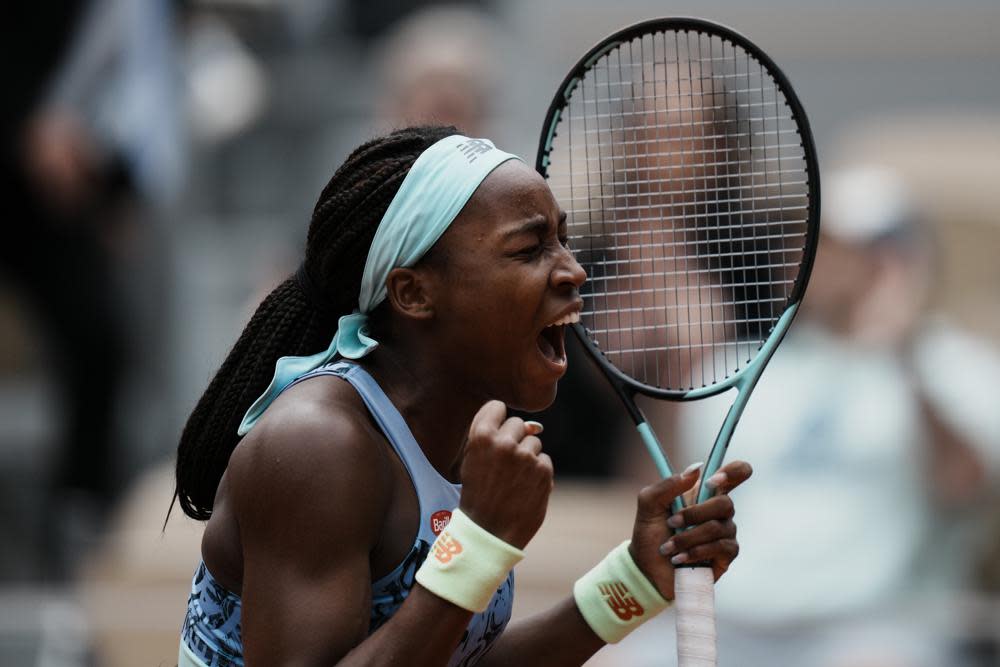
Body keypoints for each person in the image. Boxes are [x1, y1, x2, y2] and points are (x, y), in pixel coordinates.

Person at [172, 126, 751, 666]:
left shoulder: (456, 432)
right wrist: (477, 543)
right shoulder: (317, 445)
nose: (573, 270)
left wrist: (635, 580)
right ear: (414, 292)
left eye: (564, 241)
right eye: (529, 250)